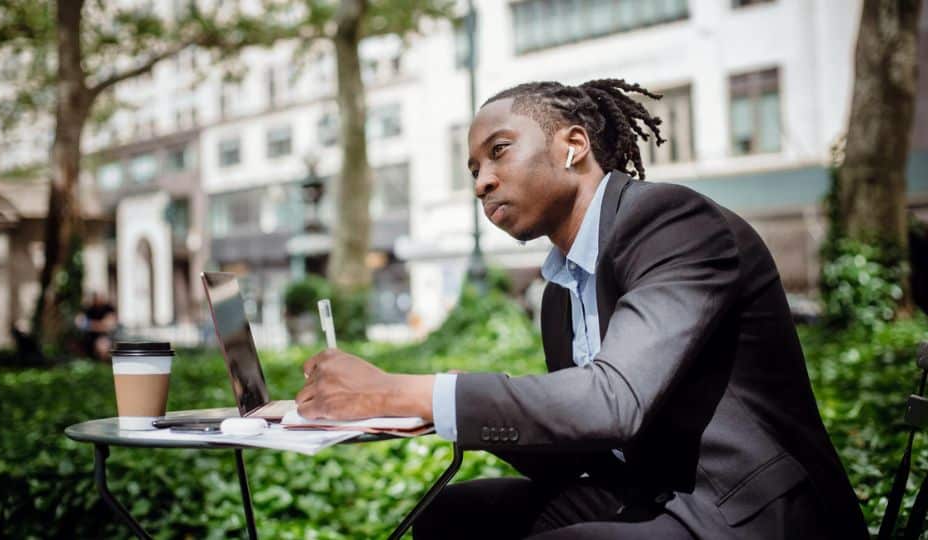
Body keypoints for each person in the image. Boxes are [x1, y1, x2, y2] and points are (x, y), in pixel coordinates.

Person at [294, 79, 868, 539]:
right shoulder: (559, 295)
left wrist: (406, 389)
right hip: (647, 492)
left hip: (746, 509)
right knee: (450, 516)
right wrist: (406, 410)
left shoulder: (671, 223)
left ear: (572, 145)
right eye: (473, 170)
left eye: (498, 153)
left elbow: (613, 400)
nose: (482, 182)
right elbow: (584, 448)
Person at [77, 291, 118, 360]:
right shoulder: (89, 309)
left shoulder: (109, 308)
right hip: (90, 337)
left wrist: (91, 325)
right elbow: (80, 322)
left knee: (103, 345)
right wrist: (100, 324)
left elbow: (110, 325)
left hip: (106, 336)